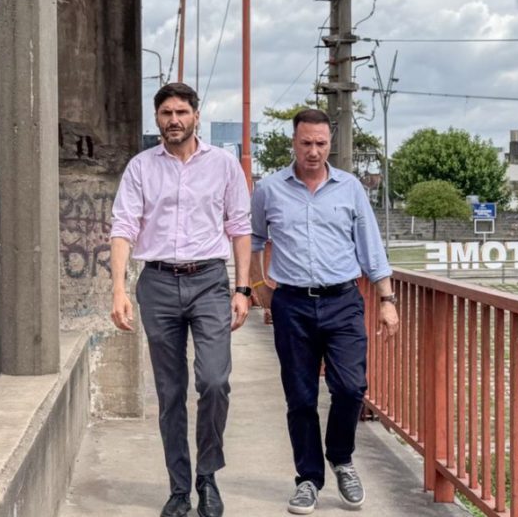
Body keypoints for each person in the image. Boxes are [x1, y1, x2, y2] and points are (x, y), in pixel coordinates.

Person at [110, 83, 252, 517]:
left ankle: (207, 477)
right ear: (157, 119)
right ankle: (179, 490)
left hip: (209, 281)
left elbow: (240, 227)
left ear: (196, 116)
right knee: (170, 392)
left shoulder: (224, 165)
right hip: (157, 283)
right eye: (166, 113)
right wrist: (118, 288)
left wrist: (243, 289)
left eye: (182, 112)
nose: (174, 120)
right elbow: (123, 226)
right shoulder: (140, 167)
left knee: (214, 381)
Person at [250, 109, 400, 515]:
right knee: (300, 397)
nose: (313, 151)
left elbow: (371, 248)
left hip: (343, 301)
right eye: (306, 143)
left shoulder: (350, 188)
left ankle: (341, 459)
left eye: (320, 143)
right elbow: (255, 239)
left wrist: (386, 300)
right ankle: (308, 479)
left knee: (351, 388)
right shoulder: (268, 189)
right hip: (292, 305)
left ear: (329, 144)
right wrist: (259, 288)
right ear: (293, 143)